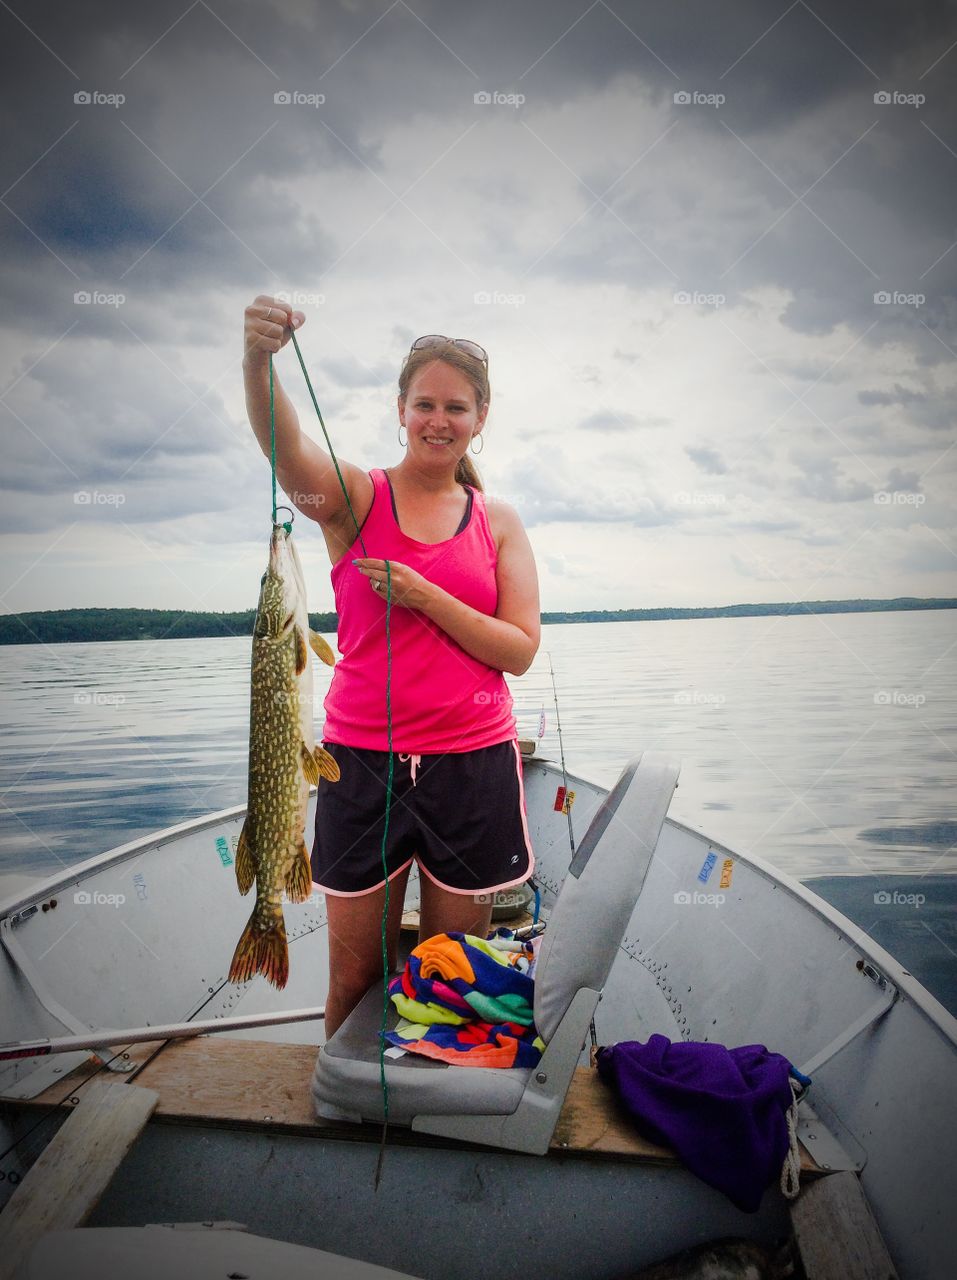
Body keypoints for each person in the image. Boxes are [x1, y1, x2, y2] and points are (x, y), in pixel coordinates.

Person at [243, 296, 541, 1037]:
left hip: (471, 765)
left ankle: (431, 1117)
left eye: (457, 407)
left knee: (450, 965)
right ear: (401, 411)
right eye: (424, 404)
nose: (439, 420)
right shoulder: (355, 499)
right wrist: (257, 361)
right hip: (360, 765)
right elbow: (290, 452)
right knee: (354, 974)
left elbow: (520, 650)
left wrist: (424, 595)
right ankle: (343, 1117)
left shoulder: (497, 521)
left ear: (479, 418)